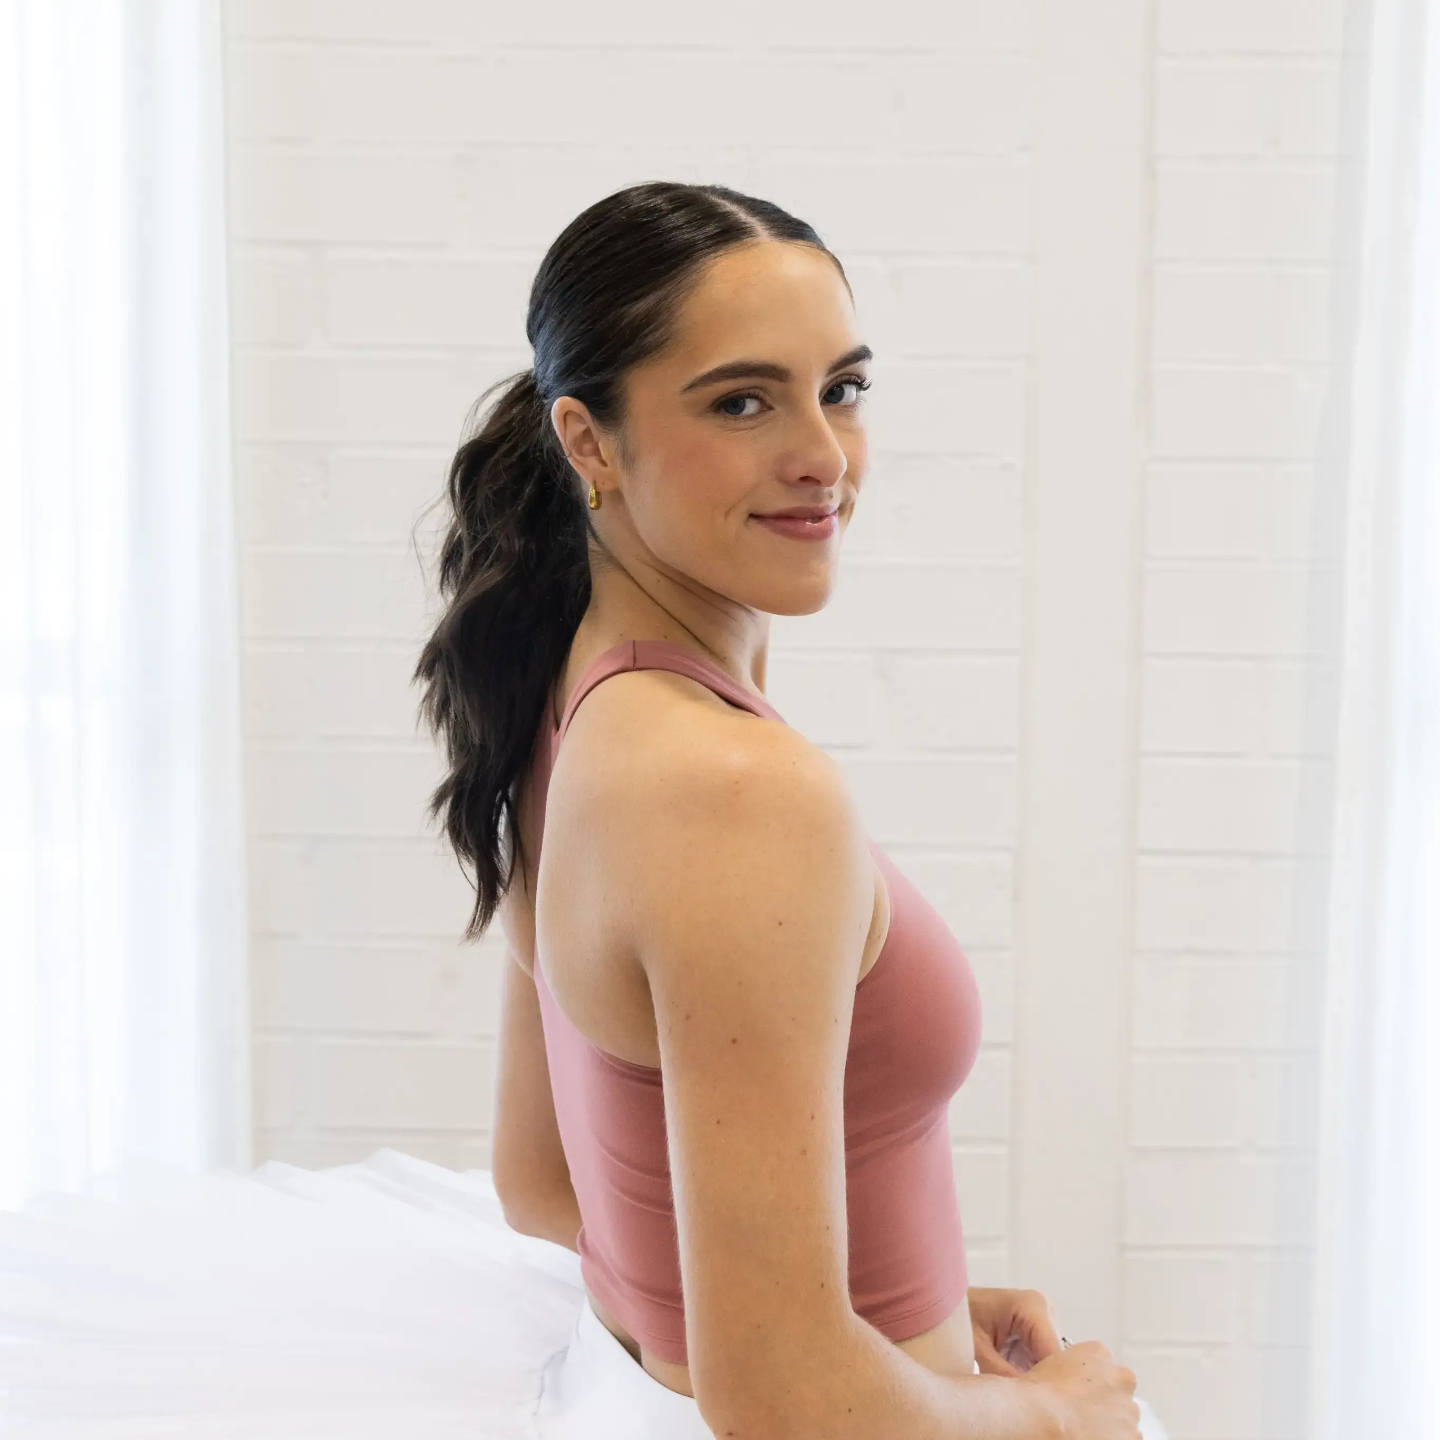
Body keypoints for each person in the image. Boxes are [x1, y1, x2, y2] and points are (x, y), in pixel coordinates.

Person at [0, 182, 1166, 1440]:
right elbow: (782, 1394)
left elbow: (548, 1183)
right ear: (589, 441)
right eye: (742, 401)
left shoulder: (576, 696)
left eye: (842, 388)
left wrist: (901, 1298)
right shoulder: (730, 788)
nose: (823, 455)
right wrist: (1055, 1417)